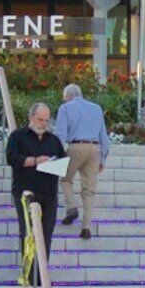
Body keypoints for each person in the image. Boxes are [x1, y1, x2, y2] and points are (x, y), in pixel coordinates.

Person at [2, 100, 62, 273]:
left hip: (49, 193)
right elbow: (12, 158)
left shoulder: (54, 140)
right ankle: (29, 273)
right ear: (31, 117)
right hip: (26, 191)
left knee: (46, 233)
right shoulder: (18, 137)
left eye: (46, 120)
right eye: (40, 119)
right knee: (29, 232)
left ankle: (41, 272)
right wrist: (35, 161)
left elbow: (62, 160)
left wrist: (55, 165)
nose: (43, 124)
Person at [52, 84, 110, 238]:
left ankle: (71, 208)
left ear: (68, 97)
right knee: (89, 191)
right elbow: (104, 136)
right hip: (95, 149)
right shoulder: (96, 108)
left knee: (65, 179)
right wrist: (103, 159)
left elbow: (60, 134)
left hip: (76, 146)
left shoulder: (65, 108)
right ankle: (86, 227)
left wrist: (56, 155)